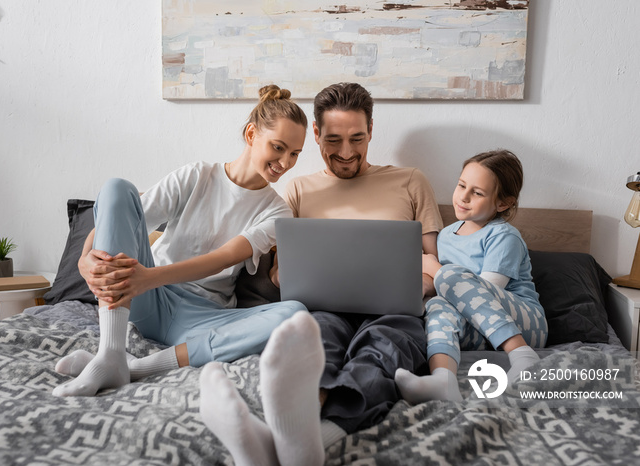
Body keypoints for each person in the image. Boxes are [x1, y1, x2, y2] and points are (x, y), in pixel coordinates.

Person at [199, 82, 443, 465]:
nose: (346, 153)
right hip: (321, 309)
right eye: (333, 140)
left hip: (395, 311)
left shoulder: (411, 181)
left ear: (372, 131)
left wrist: (422, 283)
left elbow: (435, 261)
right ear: (315, 134)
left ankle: (302, 440)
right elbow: (279, 273)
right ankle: (299, 436)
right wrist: (288, 277)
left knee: (381, 354)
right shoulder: (295, 191)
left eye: (357, 138)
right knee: (313, 351)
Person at [52, 85, 309, 397]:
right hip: (148, 300)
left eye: (295, 154)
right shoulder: (197, 176)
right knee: (117, 187)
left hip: (201, 315)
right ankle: (110, 350)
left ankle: (130, 367)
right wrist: (84, 258)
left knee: (294, 313)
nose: (285, 162)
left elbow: (226, 256)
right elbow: (126, 211)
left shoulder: (277, 211)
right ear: (252, 134)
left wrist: (148, 278)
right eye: (278, 147)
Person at [395, 149, 548, 403]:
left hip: (524, 321)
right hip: (479, 330)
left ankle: (522, 354)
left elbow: (485, 290)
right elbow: (450, 293)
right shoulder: (445, 235)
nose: (463, 197)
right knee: (438, 305)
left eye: (477, 192)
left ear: (503, 203)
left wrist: (433, 267)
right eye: (461, 185)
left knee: (452, 277)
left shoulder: (503, 236)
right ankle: (443, 380)